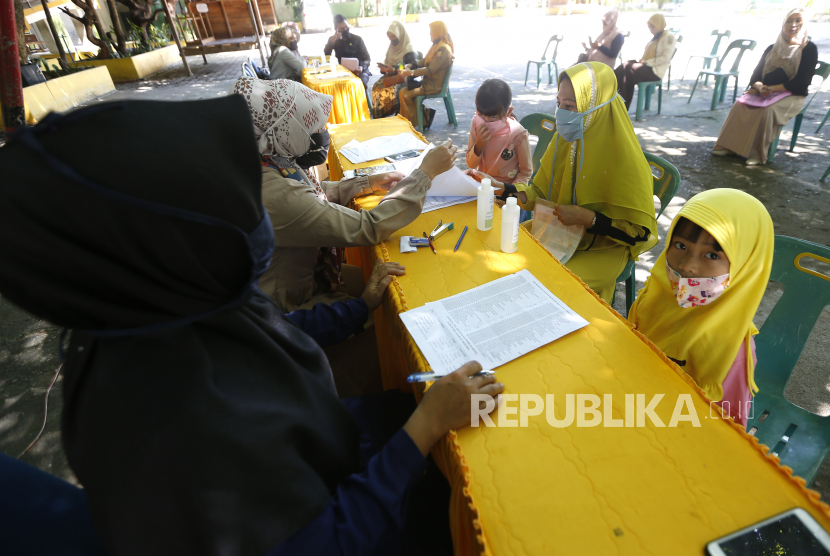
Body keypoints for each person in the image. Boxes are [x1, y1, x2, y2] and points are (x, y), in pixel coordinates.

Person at [0, 97, 504, 556]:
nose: (258, 207)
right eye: (237, 201)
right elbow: (329, 540)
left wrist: (358, 308)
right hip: (337, 520)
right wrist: (426, 425)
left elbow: (275, 330)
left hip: (313, 449)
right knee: (469, 488)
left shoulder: (169, 309)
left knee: (404, 401)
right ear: (170, 242)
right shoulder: (174, 416)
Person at [231, 77, 457, 312]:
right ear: (282, 130)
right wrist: (425, 174)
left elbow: (309, 197)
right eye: (311, 127)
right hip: (285, 311)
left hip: (300, 277)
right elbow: (368, 227)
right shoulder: (273, 192)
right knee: (396, 300)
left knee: (385, 280)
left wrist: (365, 183)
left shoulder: (264, 158)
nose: (321, 135)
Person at [467, 62, 658, 303]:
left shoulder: (626, 160)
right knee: (495, 255)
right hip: (559, 228)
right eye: (559, 104)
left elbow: (639, 233)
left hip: (605, 247)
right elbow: (538, 192)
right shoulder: (565, 140)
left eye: (569, 106)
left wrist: (588, 218)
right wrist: (502, 188)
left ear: (597, 108)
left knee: (543, 287)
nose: (561, 114)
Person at [629, 189, 774, 426]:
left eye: (712, 255)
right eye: (680, 246)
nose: (688, 266)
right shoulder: (654, 296)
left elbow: (726, 428)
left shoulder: (726, 352)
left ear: (745, 264)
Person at [713, 9, 817, 166]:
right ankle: (729, 147)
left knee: (767, 110)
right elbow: (755, 77)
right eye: (789, 21)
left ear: (804, 25)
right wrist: (760, 87)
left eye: (798, 21)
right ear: (783, 24)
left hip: (792, 95)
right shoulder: (771, 48)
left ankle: (757, 153)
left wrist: (772, 88)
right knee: (740, 104)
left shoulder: (808, 49)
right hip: (766, 91)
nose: (793, 25)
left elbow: (801, 83)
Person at [465, 78, 532, 195]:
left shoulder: (518, 134)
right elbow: (471, 164)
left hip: (506, 191)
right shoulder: (476, 123)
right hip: (482, 187)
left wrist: (509, 194)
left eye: (493, 117)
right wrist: (479, 145)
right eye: (480, 114)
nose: (485, 122)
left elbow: (526, 173)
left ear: (508, 112)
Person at [398, 21, 454, 128]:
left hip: (434, 86)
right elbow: (425, 61)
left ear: (438, 32)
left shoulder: (442, 49)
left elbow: (431, 69)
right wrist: (411, 65)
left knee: (405, 95)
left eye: (432, 31)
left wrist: (412, 73)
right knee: (402, 92)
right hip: (428, 83)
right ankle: (423, 117)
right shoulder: (437, 45)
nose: (430, 34)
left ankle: (413, 123)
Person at [614, 14, 676, 110]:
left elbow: (665, 57)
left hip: (655, 71)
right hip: (647, 66)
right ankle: (616, 102)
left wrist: (647, 62)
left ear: (659, 24)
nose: (651, 29)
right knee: (623, 69)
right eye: (649, 27)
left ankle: (621, 107)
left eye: (652, 26)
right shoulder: (656, 37)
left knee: (627, 68)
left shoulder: (668, 37)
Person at [372, 21, 418, 118]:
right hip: (391, 76)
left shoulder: (408, 49)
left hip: (404, 78)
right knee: (377, 87)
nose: (391, 40)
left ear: (400, 35)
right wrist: (383, 69)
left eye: (393, 37)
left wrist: (392, 70)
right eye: (389, 37)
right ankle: (380, 117)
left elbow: (407, 67)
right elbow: (388, 63)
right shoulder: (391, 48)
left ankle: (398, 115)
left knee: (390, 90)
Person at [324, 14, 371, 87]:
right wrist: (331, 42)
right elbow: (326, 55)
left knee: (360, 85)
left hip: (360, 69)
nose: (346, 30)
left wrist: (362, 67)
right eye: (342, 29)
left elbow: (367, 59)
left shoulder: (357, 39)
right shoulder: (334, 40)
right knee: (334, 85)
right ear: (336, 29)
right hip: (342, 71)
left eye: (347, 27)